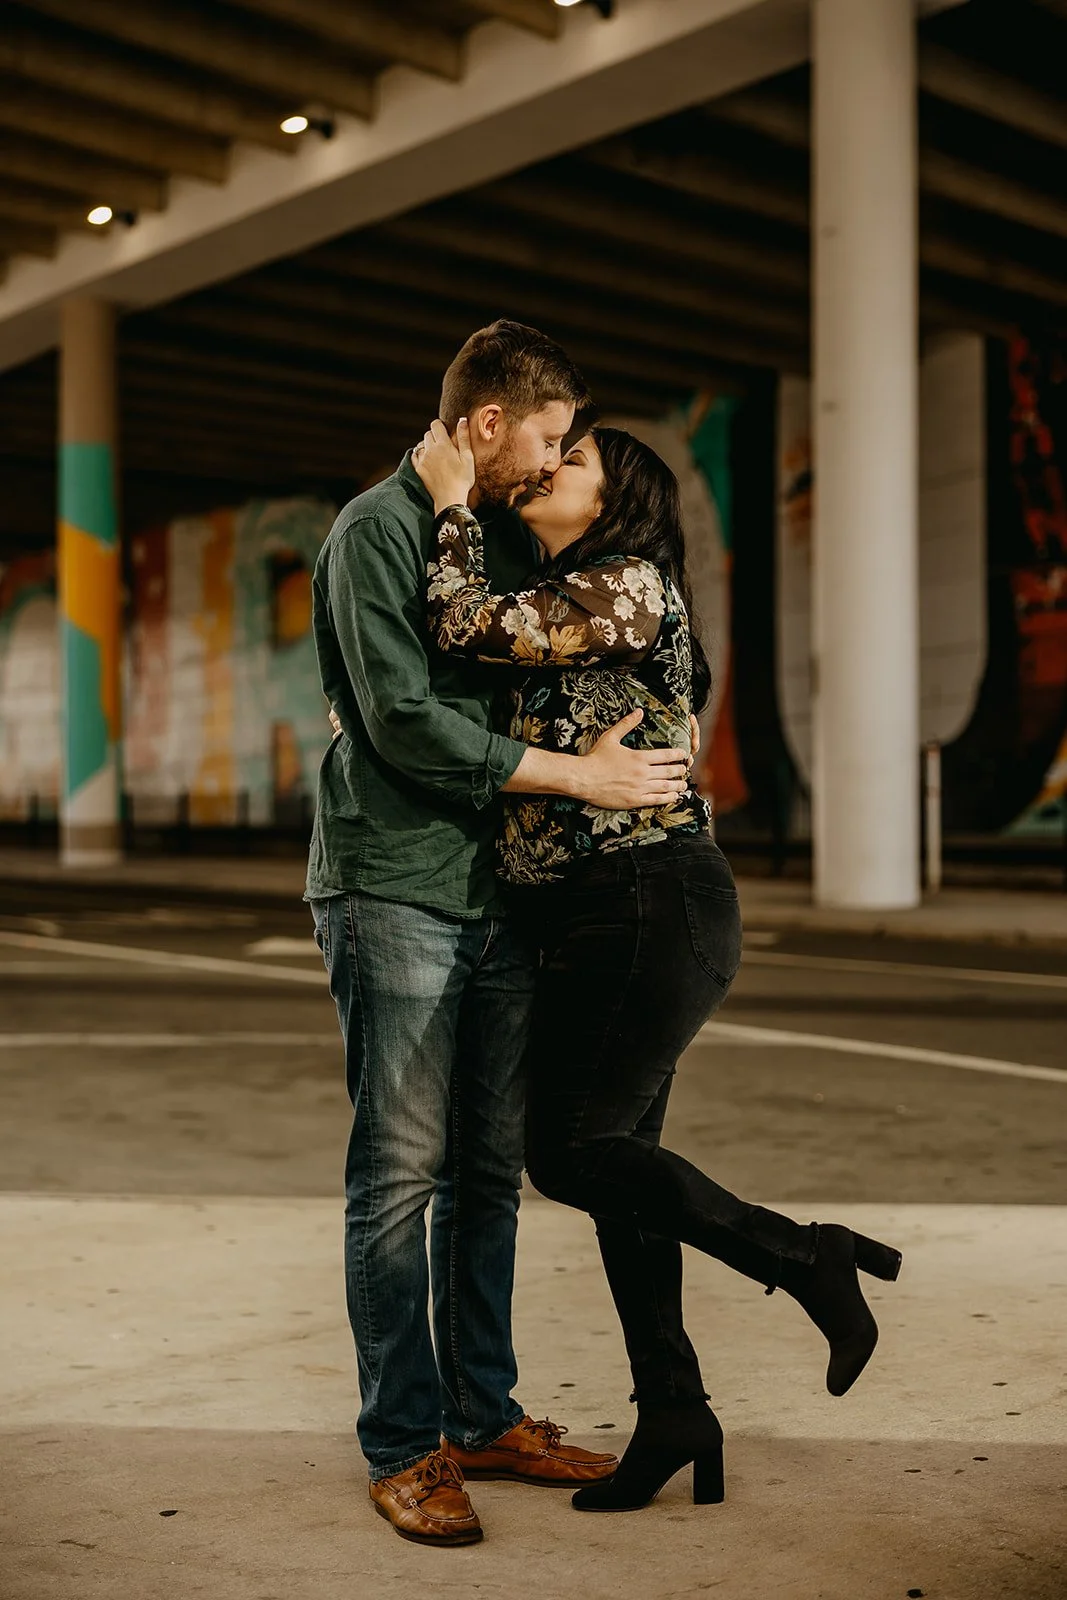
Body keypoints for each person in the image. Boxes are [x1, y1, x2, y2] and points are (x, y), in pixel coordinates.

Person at [413, 418, 904, 1515]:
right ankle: (672, 1407)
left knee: (571, 1151)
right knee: (620, 1174)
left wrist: (450, 500)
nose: (547, 468)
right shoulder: (574, 598)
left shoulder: (627, 581)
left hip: (644, 899)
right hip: (600, 910)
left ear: (618, 500)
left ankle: (801, 1255)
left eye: (572, 460)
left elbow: (458, 628)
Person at [307, 321, 696, 1548]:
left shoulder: (494, 544)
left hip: (498, 896)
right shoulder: (377, 529)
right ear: (485, 427)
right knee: (398, 1177)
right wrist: (575, 781)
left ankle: (483, 1412)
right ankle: (403, 1442)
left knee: (488, 1176)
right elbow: (403, 724)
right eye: (543, 435)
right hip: (396, 885)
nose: (551, 456)